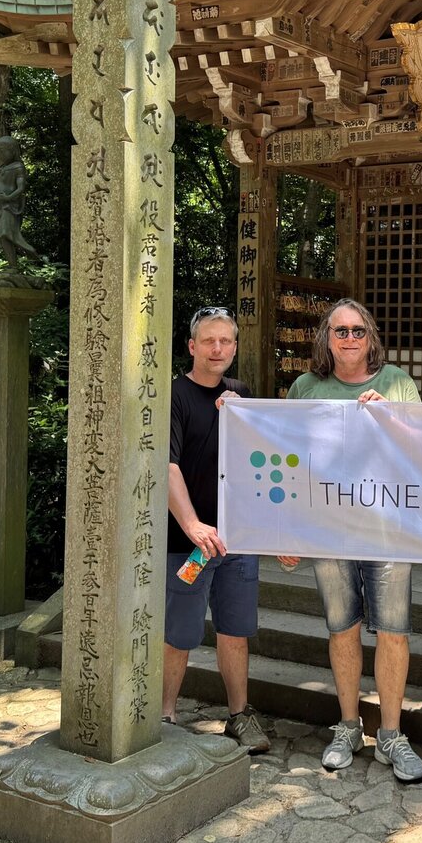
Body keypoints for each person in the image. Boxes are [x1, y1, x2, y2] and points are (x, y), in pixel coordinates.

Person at [282, 298, 422, 783]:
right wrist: (286, 528)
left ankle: (390, 732)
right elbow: (287, 456)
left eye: (357, 331)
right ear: (326, 337)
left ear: (372, 337)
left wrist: (395, 416)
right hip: (327, 529)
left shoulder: (397, 382)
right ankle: (347, 726)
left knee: (394, 629)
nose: (348, 339)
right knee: (341, 627)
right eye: (339, 331)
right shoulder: (305, 388)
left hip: (388, 528)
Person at [163, 306, 269, 754]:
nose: (218, 348)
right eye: (209, 341)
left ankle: (239, 715)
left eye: (226, 341)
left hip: (237, 538)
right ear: (191, 346)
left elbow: (262, 463)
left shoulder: (239, 393)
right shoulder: (173, 395)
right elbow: (165, 466)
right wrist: (191, 524)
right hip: (185, 543)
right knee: (178, 631)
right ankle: (164, 715)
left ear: (235, 346)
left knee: (235, 629)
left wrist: (247, 418)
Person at [0, 136, 41, 268]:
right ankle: (13, 266)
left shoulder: (18, 167)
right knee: (2, 236)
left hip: (9, 205)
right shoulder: (0, 168)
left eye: (3, 151)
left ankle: (31, 252)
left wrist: (8, 197)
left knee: (6, 232)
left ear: (12, 151)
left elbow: (21, 188)